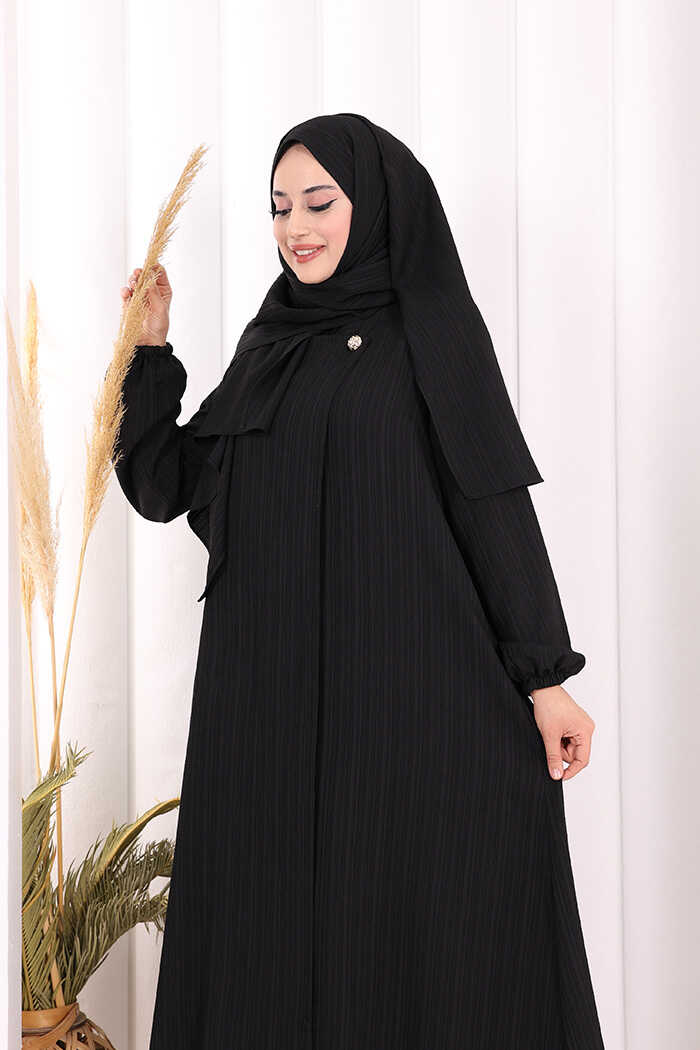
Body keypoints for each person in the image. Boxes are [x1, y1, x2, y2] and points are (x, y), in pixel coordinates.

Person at [114, 113, 605, 1049]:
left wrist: (546, 677)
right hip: (268, 707)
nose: (296, 227)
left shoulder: (431, 333)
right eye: (279, 207)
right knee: (273, 935)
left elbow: (490, 501)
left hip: (407, 704)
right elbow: (165, 485)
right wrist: (150, 350)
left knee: (406, 939)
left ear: (375, 205)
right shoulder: (274, 341)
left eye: (319, 202)